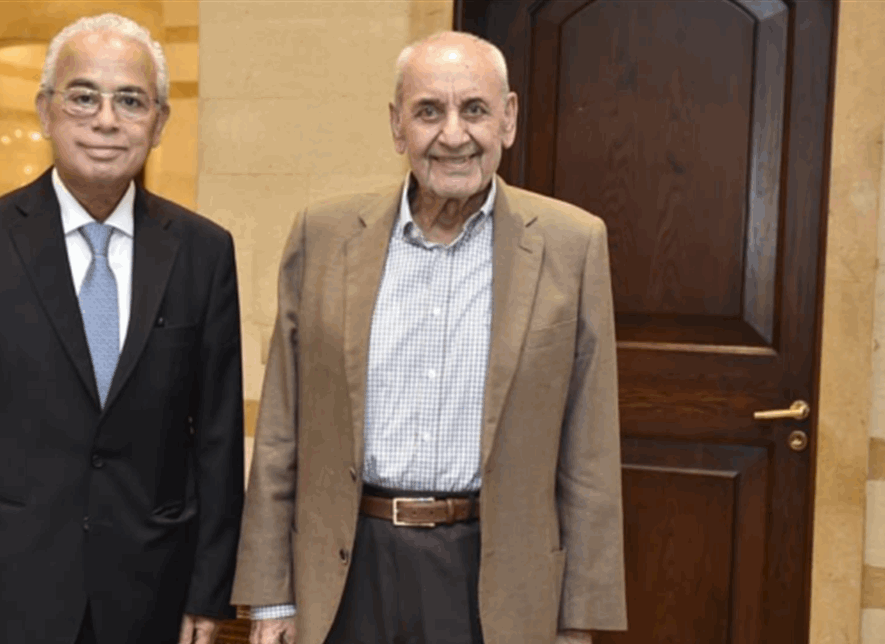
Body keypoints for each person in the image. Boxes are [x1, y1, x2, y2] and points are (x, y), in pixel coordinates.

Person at [231, 31, 627, 644]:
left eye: (474, 109)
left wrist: (579, 622)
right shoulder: (323, 235)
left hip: (495, 581)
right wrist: (269, 596)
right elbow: (281, 430)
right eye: (428, 112)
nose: (453, 134)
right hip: (347, 572)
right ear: (397, 126)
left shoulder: (572, 245)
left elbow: (589, 454)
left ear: (508, 119)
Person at [0, 13, 243, 644]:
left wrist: (209, 590)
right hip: (7, 592)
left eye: (131, 101)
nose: (106, 120)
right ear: (45, 111)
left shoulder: (203, 252)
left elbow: (218, 441)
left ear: (159, 123)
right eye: (83, 97)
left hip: (154, 593)